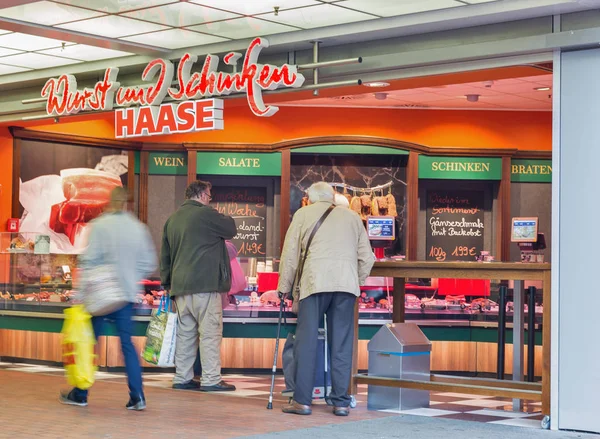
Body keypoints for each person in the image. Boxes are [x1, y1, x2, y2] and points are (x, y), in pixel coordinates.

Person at [278, 182, 375, 416]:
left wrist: (284, 287)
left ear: (310, 198)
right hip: (345, 287)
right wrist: (356, 280)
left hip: (314, 283)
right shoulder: (352, 217)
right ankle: (341, 402)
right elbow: (367, 257)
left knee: (307, 342)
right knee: (341, 344)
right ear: (332, 197)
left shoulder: (302, 214)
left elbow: (290, 255)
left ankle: (302, 401)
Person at [60, 187, 158, 411]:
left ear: (109, 202)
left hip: (100, 298)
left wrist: (81, 294)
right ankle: (137, 396)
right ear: (126, 204)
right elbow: (149, 263)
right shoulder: (138, 228)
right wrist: (131, 275)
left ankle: (80, 394)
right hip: (125, 296)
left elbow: (89, 262)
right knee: (127, 345)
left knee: (88, 343)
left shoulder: (99, 226)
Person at [161, 180, 237, 392]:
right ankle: (211, 379)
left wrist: (168, 285)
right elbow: (231, 228)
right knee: (210, 332)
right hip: (205, 285)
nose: (209, 199)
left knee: (185, 334)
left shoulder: (172, 220)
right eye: (210, 196)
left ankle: (182, 377)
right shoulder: (206, 214)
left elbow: (165, 257)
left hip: (180, 288)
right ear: (203, 195)